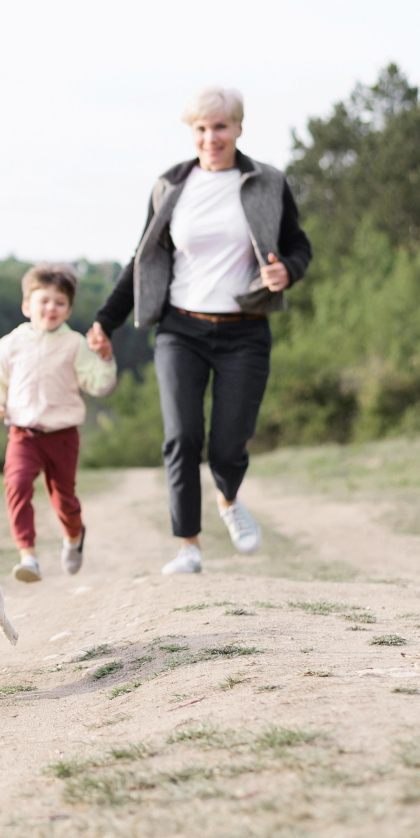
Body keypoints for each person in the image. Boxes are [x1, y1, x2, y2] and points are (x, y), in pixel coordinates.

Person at [87, 87, 311, 575]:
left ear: (239, 128)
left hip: (245, 331)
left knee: (229, 444)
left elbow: (299, 245)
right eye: (201, 129)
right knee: (182, 436)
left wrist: (287, 271)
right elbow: (143, 259)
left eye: (221, 127)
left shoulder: (268, 182)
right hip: (180, 330)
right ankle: (188, 546)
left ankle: (228, 499)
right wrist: (106, 320)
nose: (211, 137)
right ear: (192, 132)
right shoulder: (170, 186)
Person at [0, 264, 117, 582]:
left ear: (68, 310)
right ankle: (28, 556)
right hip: (23, 434)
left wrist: (105, 359)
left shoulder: (74, 344)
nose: (51, 308)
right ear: (27, 306)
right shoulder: (11, 343)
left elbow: (98, 384)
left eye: (60, 302)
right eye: (44, 301)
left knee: (64, 499)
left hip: (62, 436)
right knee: (17, 486)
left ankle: (74, 536)